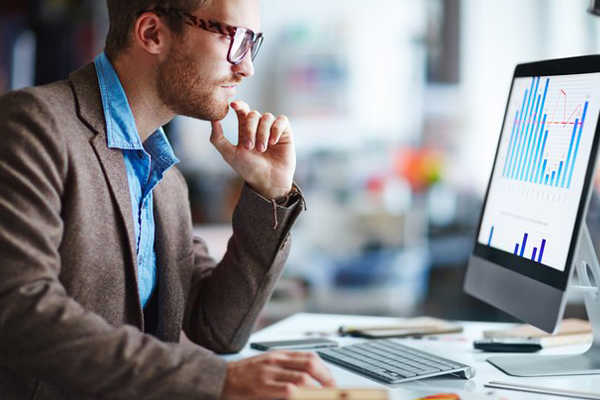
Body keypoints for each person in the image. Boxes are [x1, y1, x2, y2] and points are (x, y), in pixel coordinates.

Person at [0, 0, 336, 398]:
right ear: (152, 33)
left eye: (253, 43)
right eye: (235, 39)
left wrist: (271, 191)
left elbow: (219, 329)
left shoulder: (166, 180)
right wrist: (216, 380)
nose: (246, 67)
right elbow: (18, 311)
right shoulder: (33, 125)